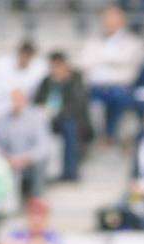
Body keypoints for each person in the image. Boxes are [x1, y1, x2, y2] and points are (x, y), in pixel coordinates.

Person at [82, 4, 144, 141]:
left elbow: (128, 67)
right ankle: (93, 137)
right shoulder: (93, 41)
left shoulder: (133, 42)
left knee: (117, 96)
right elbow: (85, 63)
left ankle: (110, 136)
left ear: (121, 21)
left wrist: (101, 61)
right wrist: (112, 62)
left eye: (112, 19)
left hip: (120, 88)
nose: (108, 23)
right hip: (95, 88)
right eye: (106, 19)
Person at [33, 51, 90, 182]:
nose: (55, 69)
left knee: (69, 127)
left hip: (69, 119)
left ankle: (70, 172)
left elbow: (77, 106)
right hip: (46, 119)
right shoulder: (46, 81)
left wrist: (56, 113)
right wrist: (43, 110)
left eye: (58, 66)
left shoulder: (75, 80)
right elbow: (36, 102)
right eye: (53, 66)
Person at [0, 87, 52, 199]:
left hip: (30, 159)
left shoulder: (37, 117)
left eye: (19, 99)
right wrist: (9, 158)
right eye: (13, 100)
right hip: (10, 159)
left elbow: (43, 145)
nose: (16, 103)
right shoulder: (2, 120)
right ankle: (4, 203)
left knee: (40, 163)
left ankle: (36, 199)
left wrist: (26, 158)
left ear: (26, 100)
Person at [0, 39, 48, 122]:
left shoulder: (40, 68)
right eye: (23, 55)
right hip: (2, 112)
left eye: (28, 56)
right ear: (19, 53)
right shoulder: (1, 65)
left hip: (25, 114)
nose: (25, 59)